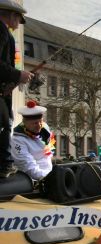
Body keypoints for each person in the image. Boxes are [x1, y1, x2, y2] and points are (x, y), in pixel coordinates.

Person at [0, 1, 33, 178]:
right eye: (19, 19)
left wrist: (10, 82)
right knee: (5, 126)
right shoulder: (1, 31)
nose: (19, 24)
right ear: (12, 15)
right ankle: (4, 165)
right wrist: (18, 75)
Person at [10, 100, 53, 180]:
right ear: (24, 122)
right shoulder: (17, 140)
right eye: (35, 123)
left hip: (49, 173)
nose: (39, 126)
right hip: (31, 180)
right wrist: (47, 177)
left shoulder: (45, 129)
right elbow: (27, 165)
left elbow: (48, 153)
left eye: (41, 122)